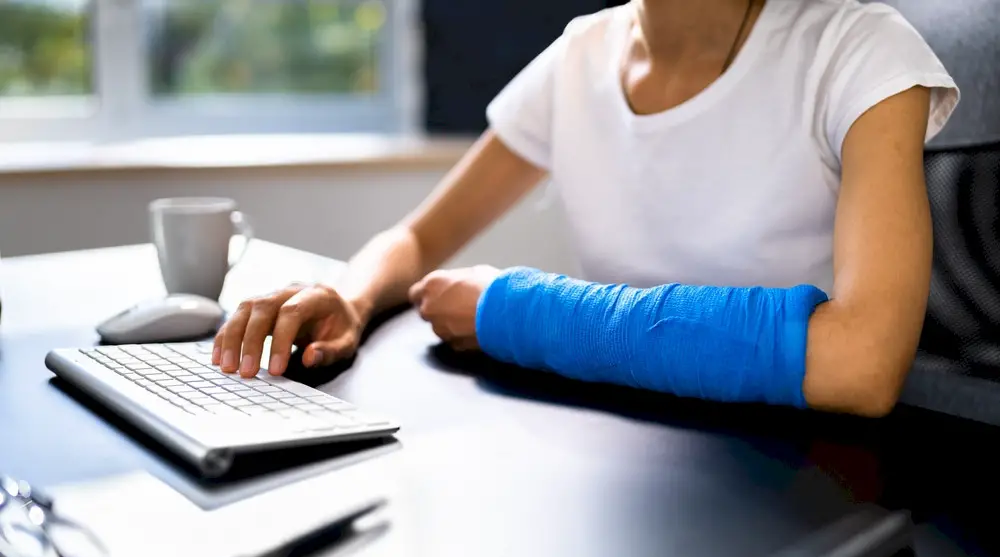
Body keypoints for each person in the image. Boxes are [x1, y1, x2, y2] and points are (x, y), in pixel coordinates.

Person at [213, 0, 959, 417]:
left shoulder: (861, 52)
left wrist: (522, 310)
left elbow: (863, 364)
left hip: (811, 493)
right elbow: (417, 236)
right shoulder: (581, 57)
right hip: (623, 449)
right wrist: (347, 293)